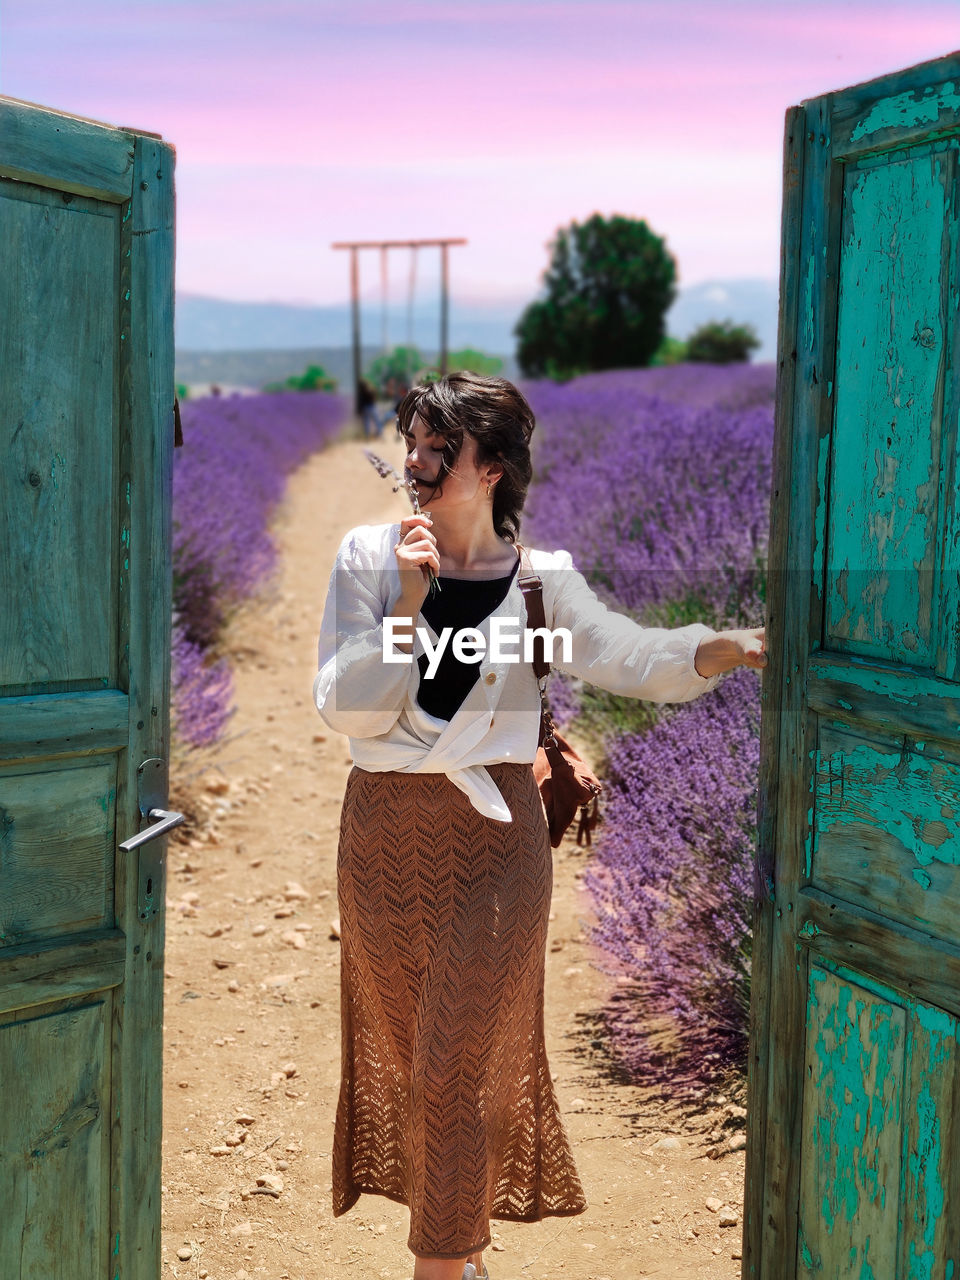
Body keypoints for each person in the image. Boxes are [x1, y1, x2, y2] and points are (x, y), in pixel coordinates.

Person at [313, 373, 767, 1280]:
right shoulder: (369, 557)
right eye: (409, 441)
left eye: (434, 447)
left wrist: (723, 648)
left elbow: (623, 650)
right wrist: (407, 605)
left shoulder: (539, 587)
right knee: (419, 1063)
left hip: (496, 846)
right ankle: (466, 1246)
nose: (411, 461)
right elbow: (347, 709)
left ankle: (439, 1264)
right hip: (383, 839)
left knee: (451, 1060)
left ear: (491, 468)